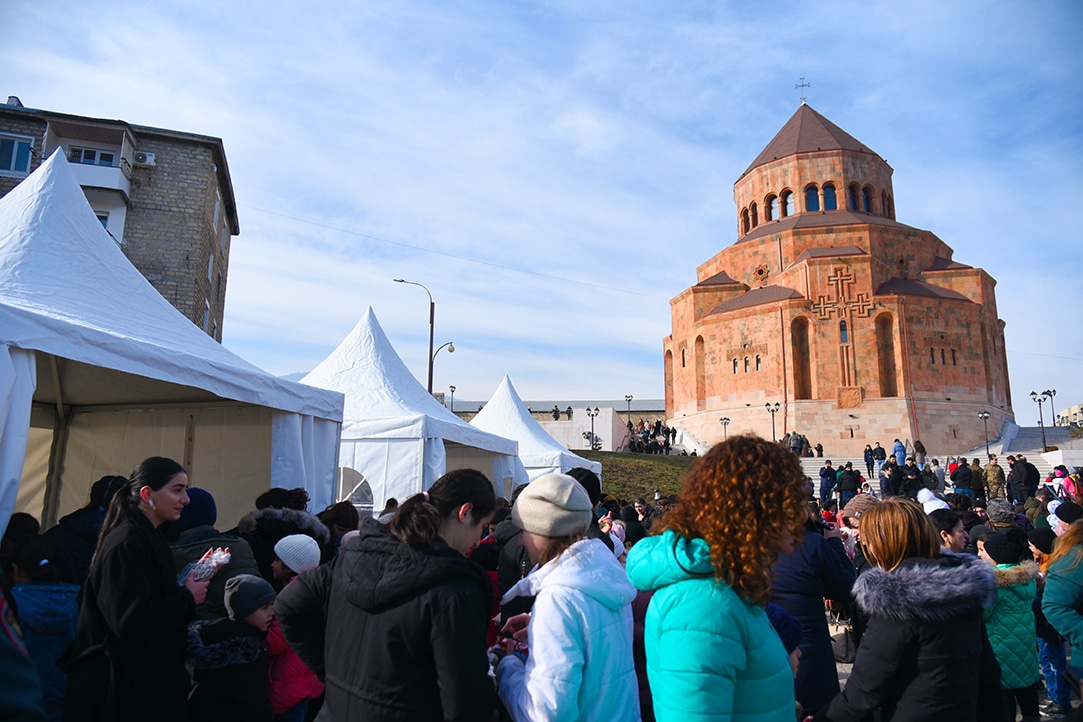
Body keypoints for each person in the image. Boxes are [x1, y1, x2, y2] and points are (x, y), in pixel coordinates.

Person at [274, 469, 498, 721]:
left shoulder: (355, 556)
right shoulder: (454, 587)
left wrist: (334, 672)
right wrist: (328, 669)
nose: (479, 540)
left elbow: (289, 604)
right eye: (481, 527)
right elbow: (466, 703)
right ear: (465, 512)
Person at [627, 435, 808, 721]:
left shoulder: (730, 582)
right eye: (792, 499)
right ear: (754, 507)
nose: (802, 512)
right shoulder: (702, 603)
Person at [813, 498, 1004, 722]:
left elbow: (863, 691)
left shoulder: (895, 599)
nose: (866, 546)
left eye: (869, 540)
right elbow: (989, 675)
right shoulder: (962, 587)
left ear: (885, 542)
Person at [61, 457, 209, 722]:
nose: (186, 499)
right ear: (147, 494)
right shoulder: (127, 542)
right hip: (122, 691)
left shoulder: (149, 536)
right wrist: (187, 596)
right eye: (177, 489)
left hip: (144, 683)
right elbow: (129, 619)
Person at [495, 473, 640, 721]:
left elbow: (546, 712)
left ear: (545, 529)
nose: (520, 540)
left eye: (525, 530)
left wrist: (509, 669)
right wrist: (539, 624)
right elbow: (597, 645)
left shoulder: (558, 599)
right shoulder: (605, 575)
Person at [769, 506, 855, 716]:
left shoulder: (743, 546)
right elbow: (847, 588)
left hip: (766, 652)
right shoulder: (813, 543)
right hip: (810, 656)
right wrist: (833, 542)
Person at [187, 574, 277, 722]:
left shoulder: (205, 638)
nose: (271, 613)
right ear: (245, 611)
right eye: (264, 607)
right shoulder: (249, 652)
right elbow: (253, 703)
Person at [9, 535, 79, 722]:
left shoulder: (11, 604)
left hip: (23, 698)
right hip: (68, 697)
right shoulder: (79, 600)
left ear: (15, 570)